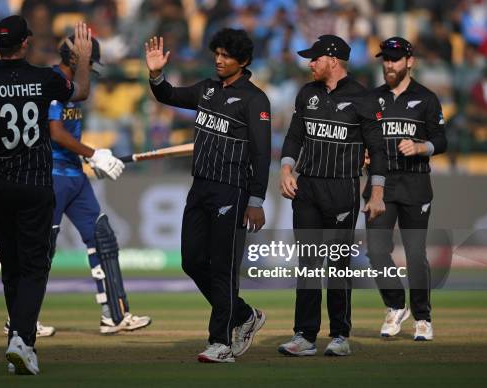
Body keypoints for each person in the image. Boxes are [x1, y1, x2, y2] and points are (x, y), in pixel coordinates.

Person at [0, 17, 115, 375]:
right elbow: (80, 91)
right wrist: (82, 57)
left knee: (12, 267)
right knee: (36, 266)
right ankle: (23, 341)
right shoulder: (44, 78)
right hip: (36, 184)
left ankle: (15, 341)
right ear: (25, 44)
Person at [2, 35, 150, 341]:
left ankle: (115, 316)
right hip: (50, 175)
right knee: (42, 249)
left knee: (102, 238)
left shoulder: (74, 87)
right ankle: (19, 320)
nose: (92, 71)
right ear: (73, 59)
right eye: (87, 62)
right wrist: (93, 153)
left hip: (75, 176)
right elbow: (54, 133)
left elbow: (69, 132)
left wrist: (89, 158)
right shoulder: (51, 82)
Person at [145, 28, 270, 363]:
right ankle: (244, 315)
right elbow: (168, 95)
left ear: (242, 61)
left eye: (226, 55)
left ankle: (221, 343)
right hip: (200, 187)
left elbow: (261, 153)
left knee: (223, 268)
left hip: (232, 189)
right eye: (216, 53)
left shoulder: (255, 99)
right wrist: (156, 75)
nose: (218, 59)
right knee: (192, 261)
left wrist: (256, 200)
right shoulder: (207, 89)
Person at [278, 35, 387, 357]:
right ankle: (304, 336)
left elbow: (378, 150)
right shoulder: (307, 93)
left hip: (341, 188)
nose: (309, 63)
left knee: (337, 264)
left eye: (315, 58)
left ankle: (340, 334)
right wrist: (286, 170)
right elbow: (294, 137)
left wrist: (377, 192)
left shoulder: (363, 98)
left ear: (333, 60)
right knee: (309, 264)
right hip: (307, 188)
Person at [365, 37, 447, 341]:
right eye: (385, 59)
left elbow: (442, 140)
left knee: (414, 254)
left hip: (415, 185)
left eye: (395, 59)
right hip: (380, 186)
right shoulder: (372, 99)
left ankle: (423, 317)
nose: (389, 64)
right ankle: (396, 304)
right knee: (375, 252)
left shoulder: (426, 98)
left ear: (409, 62)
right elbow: (362, 137)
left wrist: (420, 146)